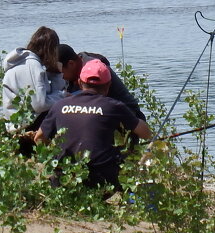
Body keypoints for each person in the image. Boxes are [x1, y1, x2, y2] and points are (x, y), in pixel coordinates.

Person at [37, 59, 151, 192]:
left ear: (80, 83)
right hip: (101, 180)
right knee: (125, 155)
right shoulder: (114, 106)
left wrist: (51, 158)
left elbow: (39, 137)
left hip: (65, 179)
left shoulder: (59, 105)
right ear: (108, 86)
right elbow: (146, 134)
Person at [57, 44, 146, 123]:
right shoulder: (73, 72)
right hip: (102, 114)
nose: (60, 76)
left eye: (60, 72)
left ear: (71, 64)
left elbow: (93, 101)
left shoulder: (95, 70)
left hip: (128, 117)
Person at [0, 26, 65, 127]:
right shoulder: (32, 66)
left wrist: (55, 73)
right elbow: (39, 105)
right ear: (51, 50)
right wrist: (63, 96)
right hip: (25, 124)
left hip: (16, 121)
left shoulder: (24, 63)